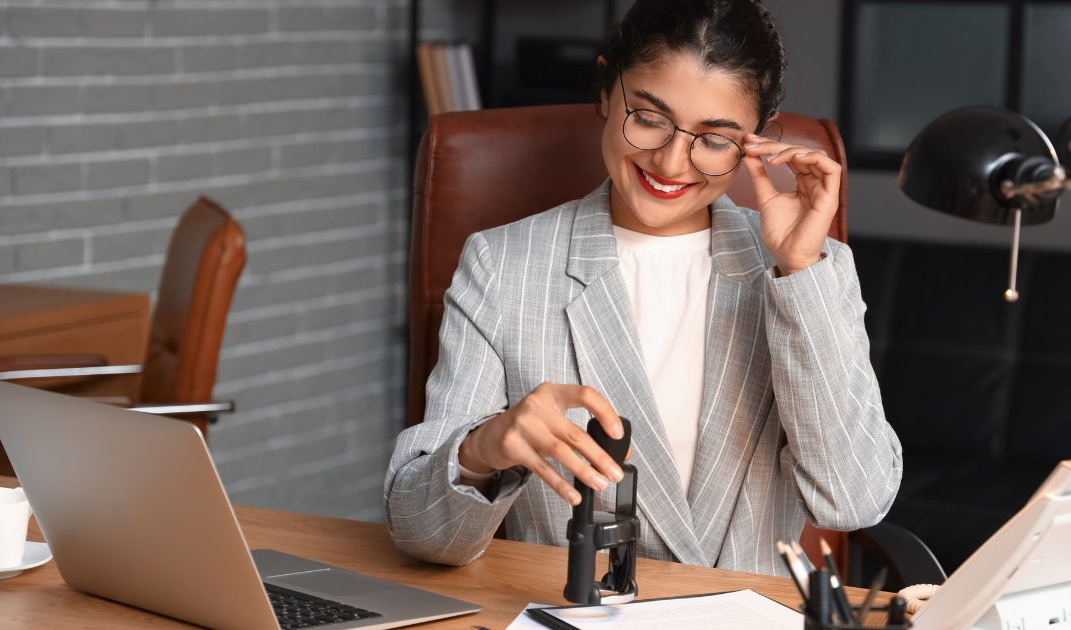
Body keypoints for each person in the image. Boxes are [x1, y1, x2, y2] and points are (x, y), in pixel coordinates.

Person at [384, 0, 903, 577]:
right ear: (607, 89)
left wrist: (800, 270)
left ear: (756, 141)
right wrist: (483, 447)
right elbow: (422, 533)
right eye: (650, 118)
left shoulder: (809, 270)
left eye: (715, 138)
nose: (673, 162)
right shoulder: (502, 264)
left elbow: (854, 500)